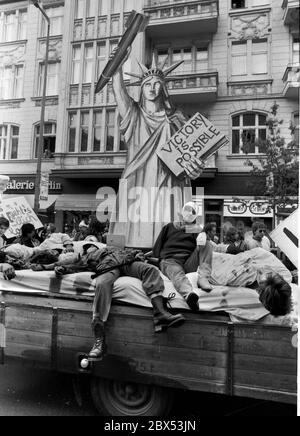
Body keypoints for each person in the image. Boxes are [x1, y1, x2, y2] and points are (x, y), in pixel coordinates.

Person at [109, 49, 205, 249]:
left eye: (157, 84)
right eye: (147, 85)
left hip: (171, 183)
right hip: (138, 180)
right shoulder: (133, 114)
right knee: (134, 237)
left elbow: (190, 156)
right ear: (141, 89)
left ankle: (173, 250)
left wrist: (195, 168)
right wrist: (118, 65)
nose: (152, 88)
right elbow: (119, 91)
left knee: (173, 239)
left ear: (164, 89)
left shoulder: (177, 119)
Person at [55, 243, 185, 361]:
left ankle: (160, 313)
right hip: (108, 267)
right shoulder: (88, 256)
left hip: (128, 263)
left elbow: (135, 251)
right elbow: (76, 266)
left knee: (150, 270)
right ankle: (99, 339)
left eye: (92, 245)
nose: (91, 247)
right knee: (102, 283)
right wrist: (64, 269)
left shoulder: (116, 248)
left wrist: (137, 254)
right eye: (88, 246)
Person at [153, 202, 213, 312]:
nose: (190, 213)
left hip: (188, 262)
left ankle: (203, 278)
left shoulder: (197, 230)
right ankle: (189, 295)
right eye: (188, 210)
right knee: (177, 273)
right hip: (170, 260)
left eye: (193, 211)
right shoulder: (169, 227)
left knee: (206, 243)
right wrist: (156, 259)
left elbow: (205, 247)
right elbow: (156, 249)